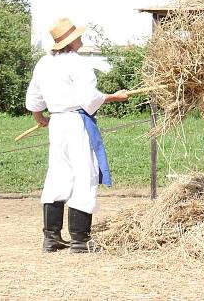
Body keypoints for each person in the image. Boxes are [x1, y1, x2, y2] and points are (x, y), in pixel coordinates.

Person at [25, 18, 128, 253]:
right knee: (84, 174)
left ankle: (51, 238)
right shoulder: (78, 64)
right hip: (76, 122)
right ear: (71, 42)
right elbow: (89, 99)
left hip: (58, 123)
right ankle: (80, 240)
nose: (81, 40)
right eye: (78, 37)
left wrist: (39, 118)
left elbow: (34, 98)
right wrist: (114, 96)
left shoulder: (44, 63)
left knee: (58, 174)